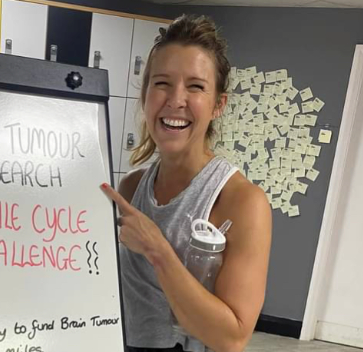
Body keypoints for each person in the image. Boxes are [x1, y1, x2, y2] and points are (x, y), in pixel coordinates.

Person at [100, 14, 272, 352]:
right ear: (145, 93)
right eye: (162, 83)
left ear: (218, 104)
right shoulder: (132, 188)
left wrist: (158, 249)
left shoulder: (241, 201)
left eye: (195, 86)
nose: (175, 100)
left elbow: (231, 338)